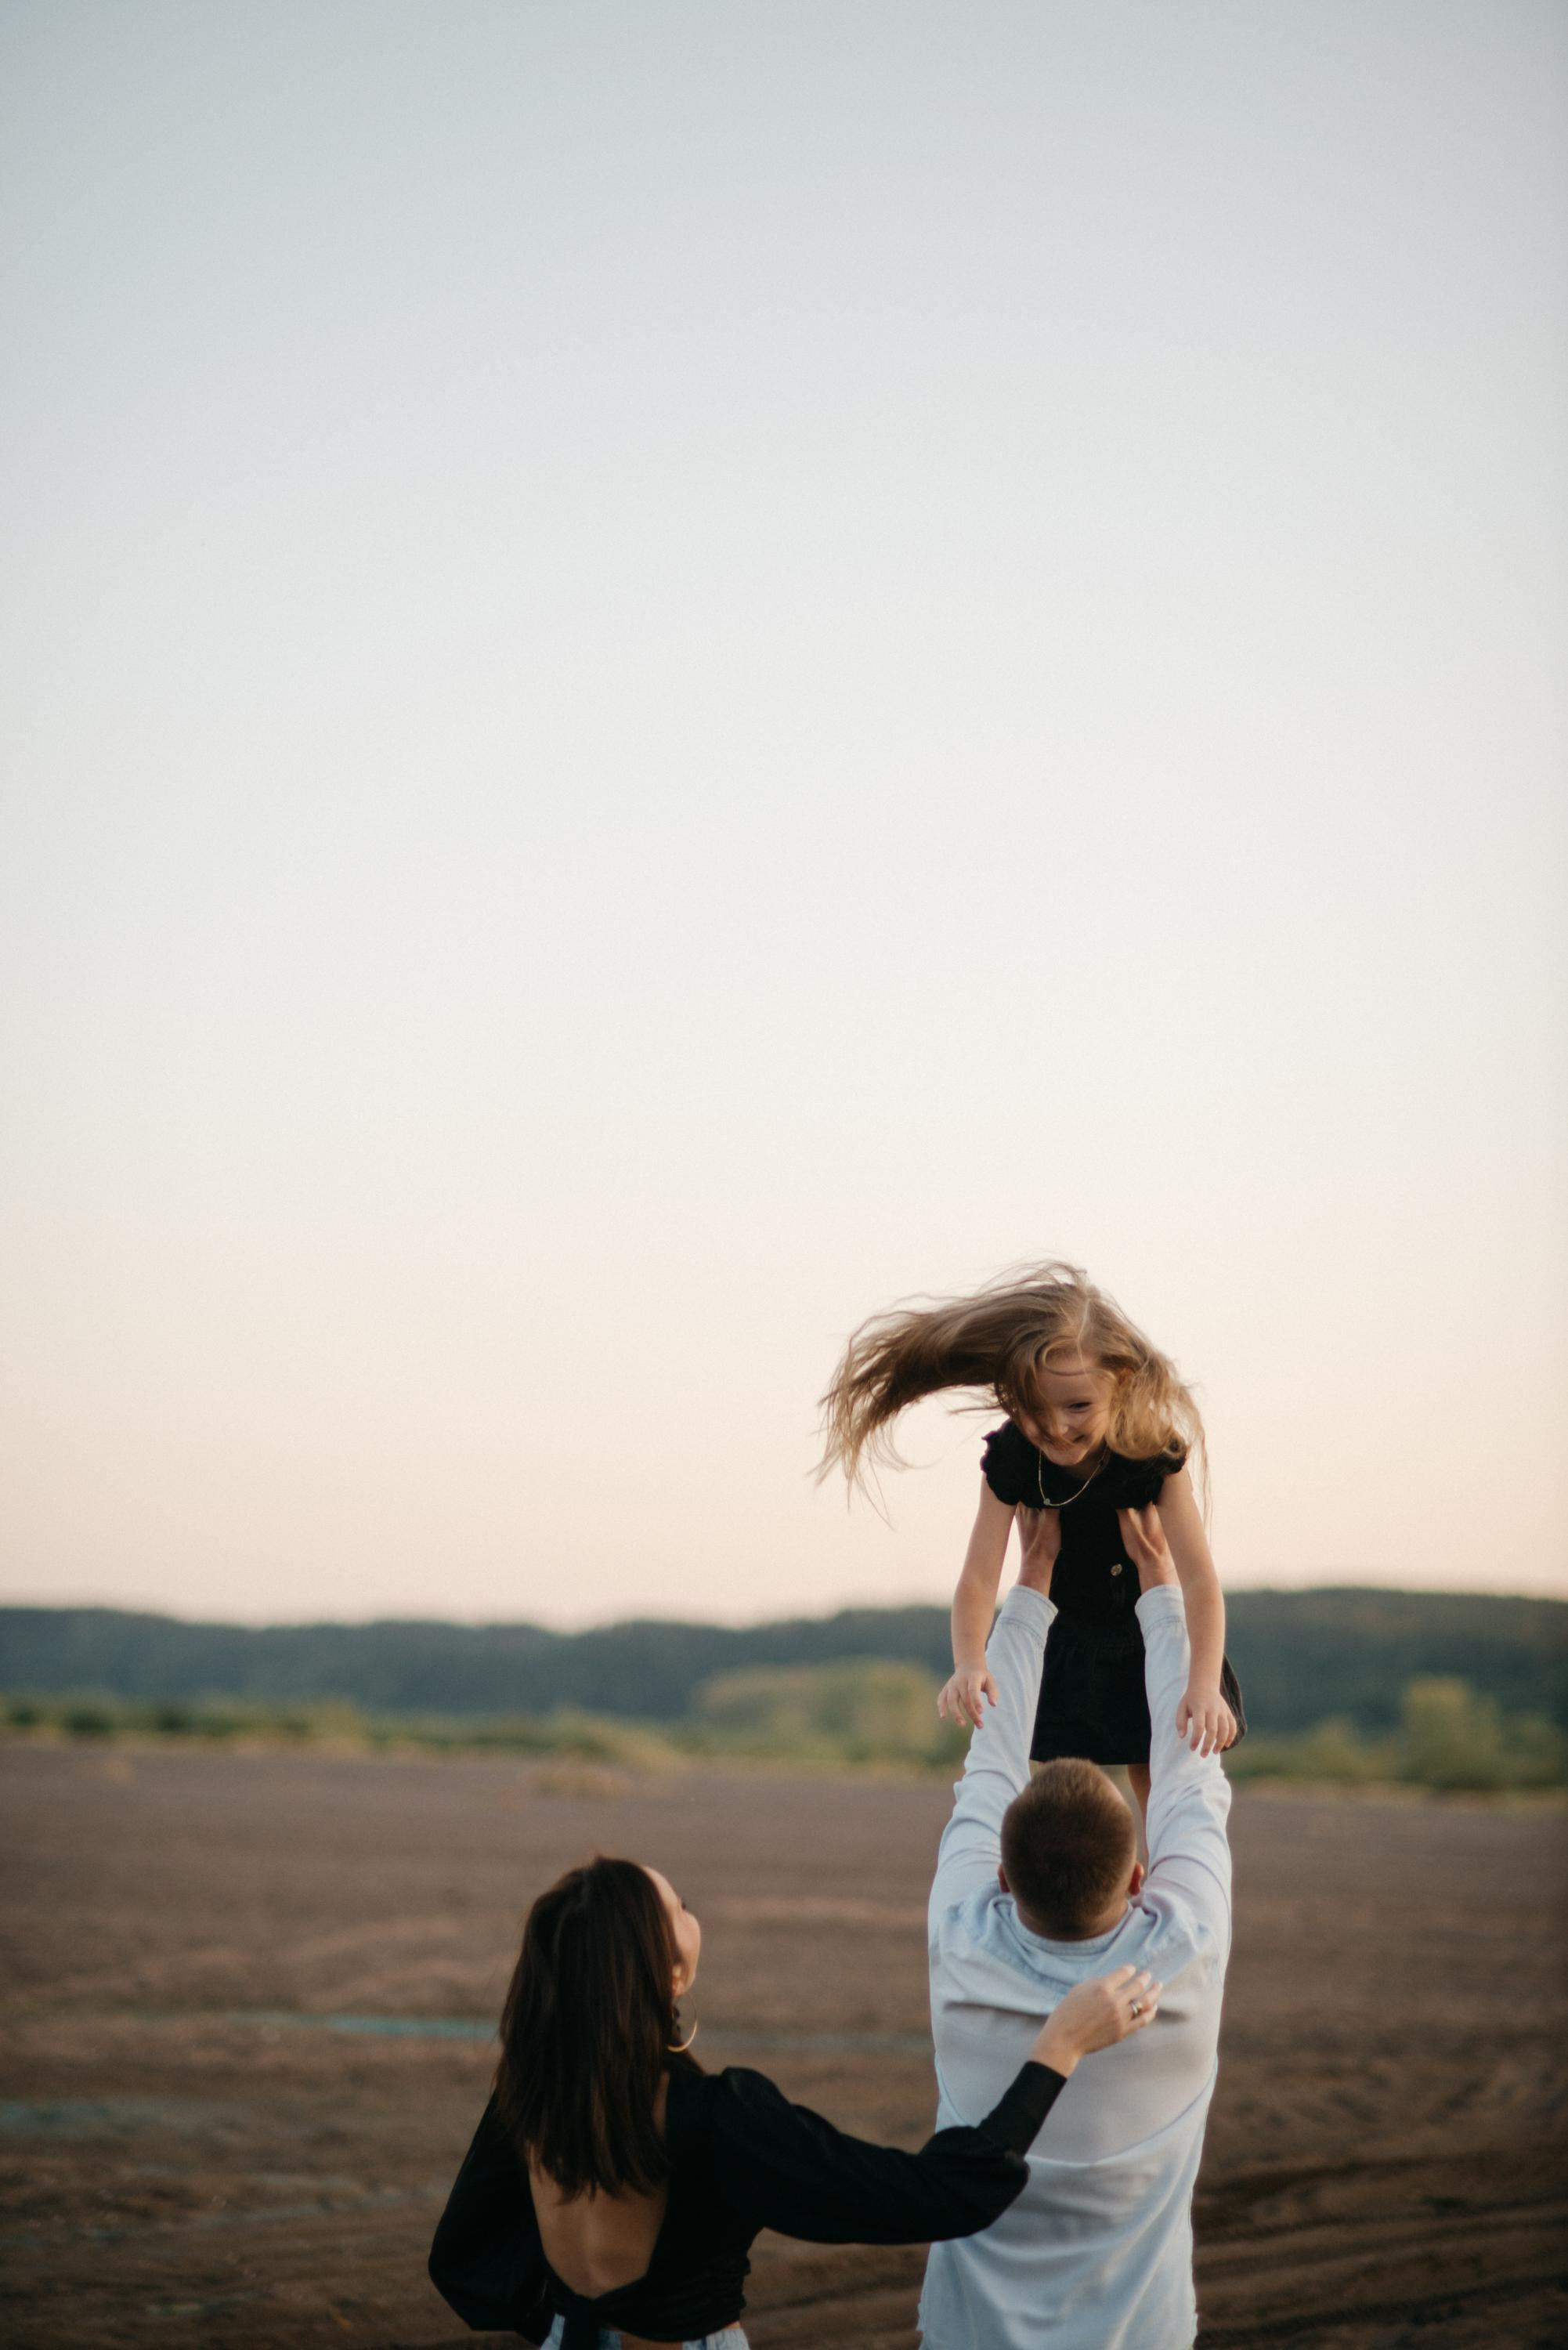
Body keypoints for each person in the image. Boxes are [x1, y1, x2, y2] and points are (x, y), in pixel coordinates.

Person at [428, 1853, 1159, 2349]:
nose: (691, 1910)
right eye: (680, 1907)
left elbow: (461, 2260)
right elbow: (937, 2196)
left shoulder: (527, 2092)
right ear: (669, 1977)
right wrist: (1059, 2048)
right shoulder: (719, 2116)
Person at [919, 1498, 1234, 2350]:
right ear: (1138, 1879)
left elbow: (992, 1756)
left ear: (998, 1875)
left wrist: (1032, 1572)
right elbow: (1184, 1777)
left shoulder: (960, 1937)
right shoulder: (1184, 1949)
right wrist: (1163, 1580)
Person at [819, 1259, 1245, 1816]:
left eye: (1078, 1407)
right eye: (1032, 1408)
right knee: (1066, 1788)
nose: (1056, 1427)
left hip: (1144, 1632)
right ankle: (1088, 1887)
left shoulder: (1152, 1455)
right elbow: (977, 1578)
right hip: (1059, 1634)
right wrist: (970, 1662)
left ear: (1120, 1383)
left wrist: (1203, 1684)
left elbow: (1200, 1583)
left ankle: (1160, 1886)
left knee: (1157, 1768)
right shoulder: (1013, 1459)